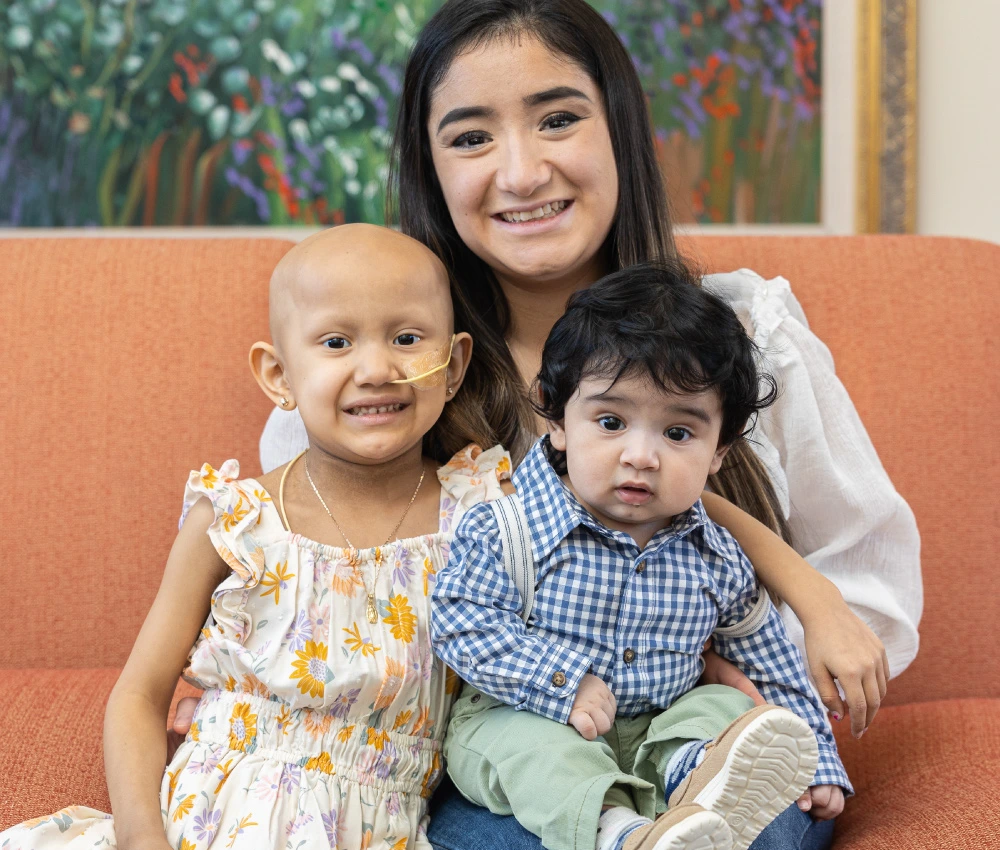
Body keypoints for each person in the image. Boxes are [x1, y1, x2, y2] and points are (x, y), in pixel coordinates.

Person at [173, 0, 921, 847]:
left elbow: (872, 591)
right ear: (430, 168)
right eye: (470, 137)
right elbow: (305, 606)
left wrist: (714, 663)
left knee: (755, 812)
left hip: (709, 748)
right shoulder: (381, 382)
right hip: (511, 762)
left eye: (558, 119)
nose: (523, 173)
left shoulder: (744, 334)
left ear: (620, 131)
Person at [0, 225, 517, 849]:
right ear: (279, 376)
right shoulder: (236, 522)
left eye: (407, 339)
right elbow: (138, 695)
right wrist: (141, 838)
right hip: (205, 823)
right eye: (336, 342)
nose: (377, 369)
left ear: (453, 366)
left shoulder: (480, 517)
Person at [432, 262, 850, 850]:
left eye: (678, 434)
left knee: (726, 704)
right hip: (534, 715)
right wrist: (562, 681)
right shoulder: (507, 529)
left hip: (660, 728)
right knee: (532, 750)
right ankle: (617, 831)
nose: (641, 456)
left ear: (720, 450)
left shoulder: (716, 556)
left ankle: (698, 778)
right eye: (611, 422)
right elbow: (460, 622)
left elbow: (769, 661)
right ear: (556, 418)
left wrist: (817, 759)